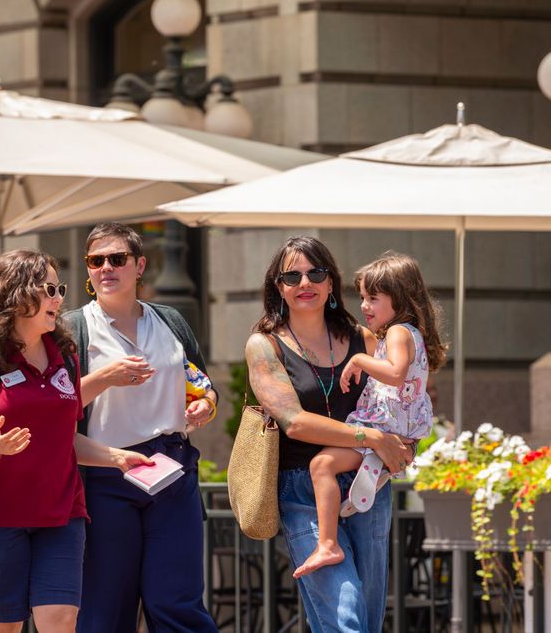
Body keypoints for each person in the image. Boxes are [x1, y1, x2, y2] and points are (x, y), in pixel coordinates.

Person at [0, 248, 153, 633]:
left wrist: (117, 457)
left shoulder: (65, 353)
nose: (58, 298)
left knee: (60, 620)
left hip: (61, 514)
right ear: (16, 293)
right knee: (3, 627)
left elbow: (64, 440)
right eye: (48, 289)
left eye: (59, 288)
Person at [245, 236, 416, 632]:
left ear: (331, 282)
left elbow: (396, 402)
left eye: (315, 273)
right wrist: (371, 437)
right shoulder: (264, 345)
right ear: (278, 286)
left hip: (368, 481)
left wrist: (405, 441)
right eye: (292, 275)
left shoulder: (365, 338)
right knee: (345, 616)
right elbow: (294, 422)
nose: (305, 282)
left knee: (370, 617)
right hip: (303, 487)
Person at [61, 222, 219, 633]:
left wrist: (206, 403)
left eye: (117, 259)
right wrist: (104, 378)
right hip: (105, 473)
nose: (106, 268)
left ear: (140, 265)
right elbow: (51, 409)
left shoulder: (170, 321)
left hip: (171, 467)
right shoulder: (72, 329)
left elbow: (200, 382)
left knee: (177, 600)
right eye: (96, 261)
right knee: (107, 607)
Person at [293, 252, 445, 578]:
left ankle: (327, 543)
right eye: (362, 297)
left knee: (321, 465)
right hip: (399, 423)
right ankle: (372, 473)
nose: (364, 305)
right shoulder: (409, 333)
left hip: (385, 423)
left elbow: (396, 372)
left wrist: (360, 361)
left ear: (400, 298)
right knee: (331, 467)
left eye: (373, 298)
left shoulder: (397, 333)